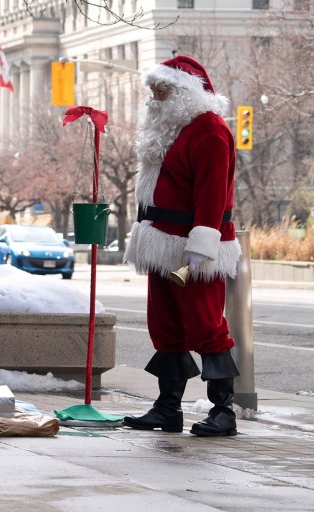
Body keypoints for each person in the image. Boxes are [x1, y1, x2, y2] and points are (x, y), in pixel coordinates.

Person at [122, 56, 242, 437]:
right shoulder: (170, 129)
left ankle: (224, 410)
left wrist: (201, 246)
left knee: (207, 326)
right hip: (160, 242)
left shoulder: (209, 129)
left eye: (163, 89)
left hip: (194, 246)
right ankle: (167, 407)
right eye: (153, 89)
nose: (154, 96)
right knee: (166, 327)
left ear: (185, 92)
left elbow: (212, 192)